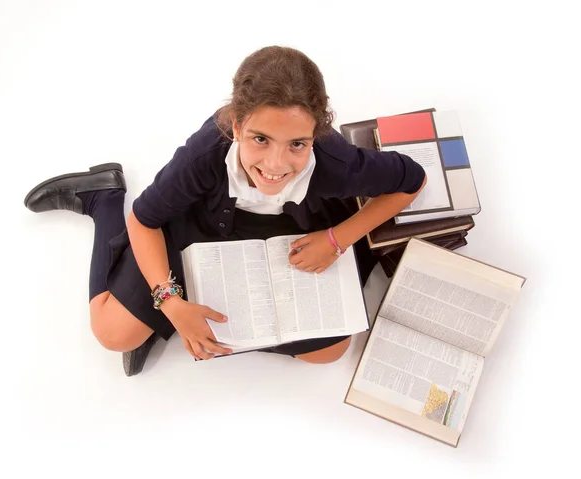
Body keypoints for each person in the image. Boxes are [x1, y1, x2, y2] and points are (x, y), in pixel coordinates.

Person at [24, 45, 427, 376]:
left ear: (316, 133)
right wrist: (170, 305)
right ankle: (103, 199)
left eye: (297, 144)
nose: (275, 165)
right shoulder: (205, 155)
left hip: (293, 233)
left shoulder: (336, 163)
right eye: (260, 139)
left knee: (330, 352)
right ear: (235, 127)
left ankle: (175, 328)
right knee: (112, 333)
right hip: (202, 225)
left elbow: (414, 180)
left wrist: (338, 239)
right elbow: (144, 221)